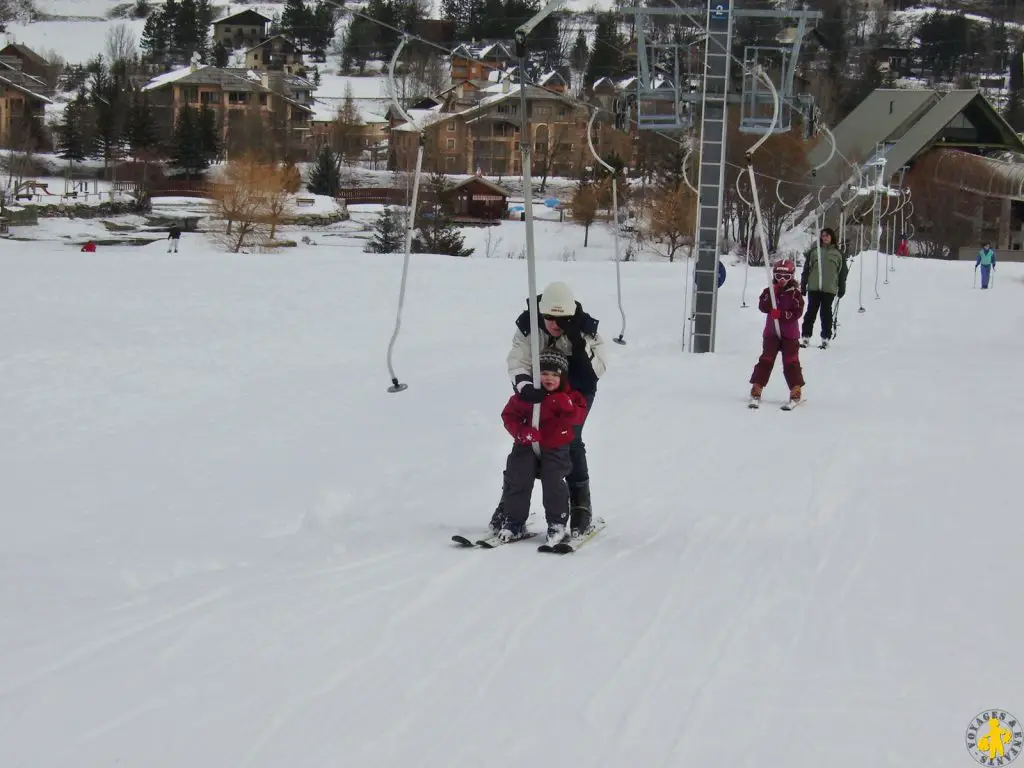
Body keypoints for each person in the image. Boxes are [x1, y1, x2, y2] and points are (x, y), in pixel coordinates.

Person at [490, 281, 608, 538]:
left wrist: (576, 341)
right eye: (549, 318)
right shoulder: (528, 326)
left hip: (576, 390)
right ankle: (509, 504)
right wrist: (523, 385)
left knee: (570, 438)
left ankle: (580, 506)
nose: (555, 324)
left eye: (562, 319)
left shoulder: (585, 330)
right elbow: (517, 358)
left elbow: (597, 370)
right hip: (536, 387)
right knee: (525, 440)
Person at [496, 349, 589, 545]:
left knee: (553, 481)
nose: (549, 378)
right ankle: (514, 521)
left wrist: (569, 406)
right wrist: (522, 432)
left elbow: (579, 416)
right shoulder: (528, 395)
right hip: (527, 444)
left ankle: (557, 522)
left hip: (556, 445)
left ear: (562, 376)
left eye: (555, 374)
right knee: (518, 478)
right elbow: (509, 415)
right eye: (544, 373)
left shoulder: (569, 396)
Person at [750, 258, 805, 406]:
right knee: (766, 359)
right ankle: (757, 386)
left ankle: (795, 388)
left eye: (786, 277)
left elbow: (797, 312)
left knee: (791, 362)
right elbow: (762, 306)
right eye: (779, 276)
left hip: (789, 335)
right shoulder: (770, 291)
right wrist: (770, 295)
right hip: (772, 333)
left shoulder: (795, 294)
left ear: (792, 277)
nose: (782, 280)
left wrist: (781, 314)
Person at [800, 227, 848, 349]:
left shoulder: (838, 254)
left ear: (832, 237)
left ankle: (825, 337)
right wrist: (803, 285)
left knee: (826, 313)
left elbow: (842, 273)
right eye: (823, 235)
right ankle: (805, 336)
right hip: (814, 287)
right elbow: (806, 270)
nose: (825, 237)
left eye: (827, 235)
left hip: (829, 288)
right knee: (811, 312)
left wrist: (842, 287)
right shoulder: (814, 252)